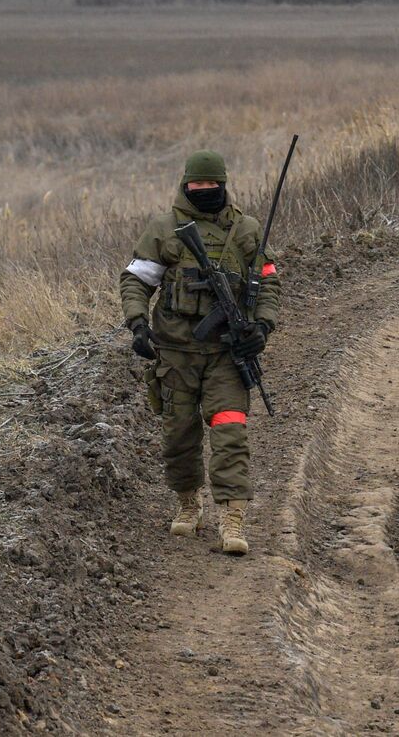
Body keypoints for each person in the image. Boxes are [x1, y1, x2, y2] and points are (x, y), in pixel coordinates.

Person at [119, 150, 281, 556]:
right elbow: (136, 281)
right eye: (197, 185)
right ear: (185, 185)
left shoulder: (246, 231)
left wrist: (261, 327)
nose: (204, 191)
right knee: (179, 433)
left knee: (230, 430)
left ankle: (232, 516)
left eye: (212, 185)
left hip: (227, 354)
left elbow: (268, 285)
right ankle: (188, 502)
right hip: (175, 353)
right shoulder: (165, 230)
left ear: (223, 185)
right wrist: (138, 323)